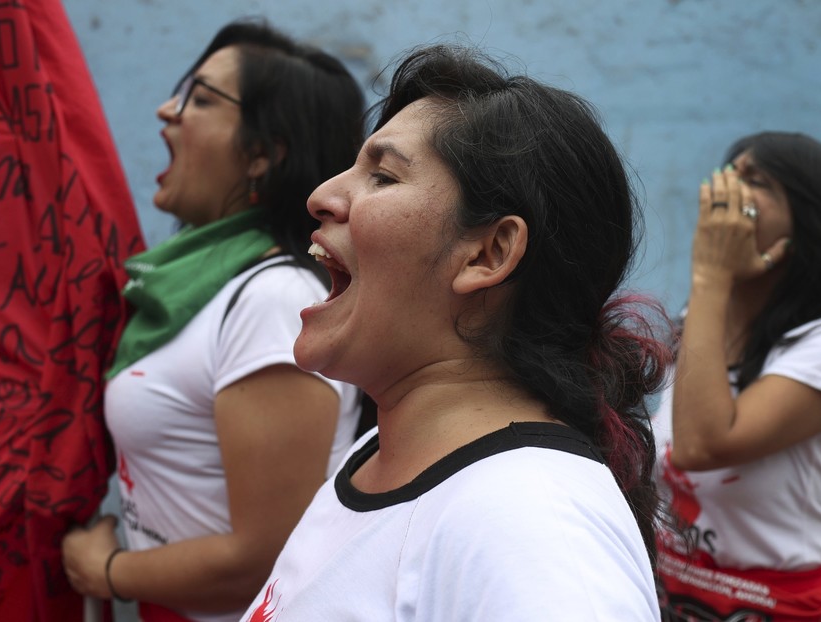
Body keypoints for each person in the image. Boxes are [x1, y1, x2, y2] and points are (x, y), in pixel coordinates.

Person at [236, 44, 670, 622]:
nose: (321, 197)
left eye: (383, 176)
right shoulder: (378, 456)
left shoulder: (531, 524)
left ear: (488, 254)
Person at [60, 18, 366, 622]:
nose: (166, 110)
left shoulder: (272, 299)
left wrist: (106, 571)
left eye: (199, 99)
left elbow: (265, 558)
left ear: (262, 154)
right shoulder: (195, 287)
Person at [652, 132, 821, 620]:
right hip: (674, 597)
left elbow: (701, 447)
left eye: (756, 181)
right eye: (729, 173)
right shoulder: (699, 322)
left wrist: (710, 276)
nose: (729, 191)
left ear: (808, 223)